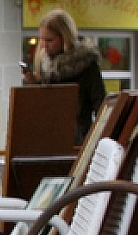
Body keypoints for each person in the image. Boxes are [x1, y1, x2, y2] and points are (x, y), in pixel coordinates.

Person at [23, 8, 105, 144]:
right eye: (42, 39)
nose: (44, 45)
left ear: (65, 37)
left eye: (50, 40)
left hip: (78, 141)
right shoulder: (45, 65)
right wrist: (34, 85)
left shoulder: (86, 64)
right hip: (49, 138)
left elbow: (100, 105)